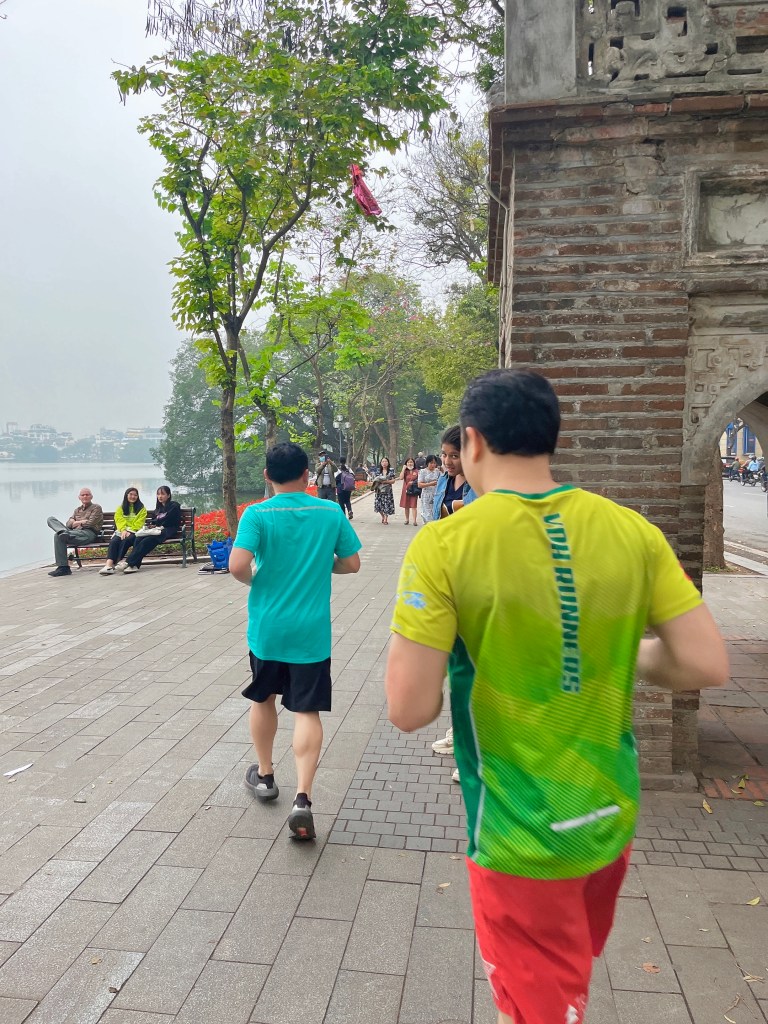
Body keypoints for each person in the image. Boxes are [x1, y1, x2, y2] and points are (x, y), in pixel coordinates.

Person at [385, 368, 729, 1024]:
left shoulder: (446, 544)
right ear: (551, 437)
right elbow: (703, 661)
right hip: (608, 818)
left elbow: (408, 709)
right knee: (560, 986)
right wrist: (615, 649)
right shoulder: (631, 531)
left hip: (520, 836)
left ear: (473, 440)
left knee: (539, 1010)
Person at [229, 442, 361, 840]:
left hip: (268, 628)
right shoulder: (330, 511)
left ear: (267, 475)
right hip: (311, 631)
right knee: (307, 709)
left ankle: (266, 775)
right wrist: (321, 565)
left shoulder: (257, 514)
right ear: (307, 475)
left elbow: (236, 565)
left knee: (263, 698)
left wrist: (258, 581)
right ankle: (303, 798)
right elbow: (352, 563)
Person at [122, 486, 181, 573]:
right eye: (158, 494)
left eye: (163, 494)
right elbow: (154, 521)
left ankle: (128, 562)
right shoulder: (158, 508)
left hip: (168, 530)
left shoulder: (174, 506)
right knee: (138, 539)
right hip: (157, 531)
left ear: (168, 495)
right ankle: (134, 565)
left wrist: (157, 523)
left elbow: (168, 520)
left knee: (148, 540)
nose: (160, 496)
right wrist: (152, 525)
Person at [46, 488, 103, 578]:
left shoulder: (96, 508)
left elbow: (90, 523)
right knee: (51, 520)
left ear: (91, 497)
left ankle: (63, 567)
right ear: (79, 497)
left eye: (87, 494)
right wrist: (81, 522)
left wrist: (75, 522)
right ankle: (63, 567)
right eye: (82, 495)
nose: (85, 496)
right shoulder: (77, 510)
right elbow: (68, 524)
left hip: (88, 533)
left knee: (59, 535)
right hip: (73, 532)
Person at [99, 487, 147, 575]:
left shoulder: (141, 508)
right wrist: (123, 530)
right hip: (122, 531)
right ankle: (108, 565)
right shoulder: (121, 508)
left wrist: (131, 530)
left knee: (126, 540)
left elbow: (139, 523)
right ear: (126, 495)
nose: (133, 497)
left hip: (135, 532)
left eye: (135, 495)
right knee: (114, 541)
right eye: (131, 494)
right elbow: (119, 520)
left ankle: (117, 562)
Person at [433, 424, 477, 520]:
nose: (447, 462)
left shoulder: (479, 485)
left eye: (454, 456)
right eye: (444, 454)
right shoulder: (443, 480)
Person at [417, 454, 440, 525]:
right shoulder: (423, 471)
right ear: (427, 463)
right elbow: (419, 484)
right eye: (431, 463)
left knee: (435, 513)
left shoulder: (437, 471)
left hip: (436, 494)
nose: (433, 465)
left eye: (434, 463)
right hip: (426, 495)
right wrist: (430, 484)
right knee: (427, 514)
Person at [372, 457, 396, 525]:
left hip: (388, 490)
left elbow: (393, 481)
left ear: (388, 463)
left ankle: (385, 518)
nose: (384, 463)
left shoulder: (391, 470)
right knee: (378, 504)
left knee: (386, 504)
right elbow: (375, 480)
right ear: (381, 463)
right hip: (379, 490)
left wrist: (386, 482)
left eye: (385, 461)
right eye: (383, 461)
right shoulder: (378, 470)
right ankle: (382, 516)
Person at [398, 457, 420, 526]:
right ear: (406, 463)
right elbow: (401, 478)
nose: (410, 463)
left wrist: (413, 482)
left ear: (414, 463)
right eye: (408, 462)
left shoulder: (417, 471)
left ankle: (414, 521)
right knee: (406, 505)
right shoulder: (405, 471)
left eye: (411, 462)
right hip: (406, 490)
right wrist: (403, 469)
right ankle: (407, 520)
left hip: (414, 490)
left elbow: (419, 480)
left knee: (414, 505)